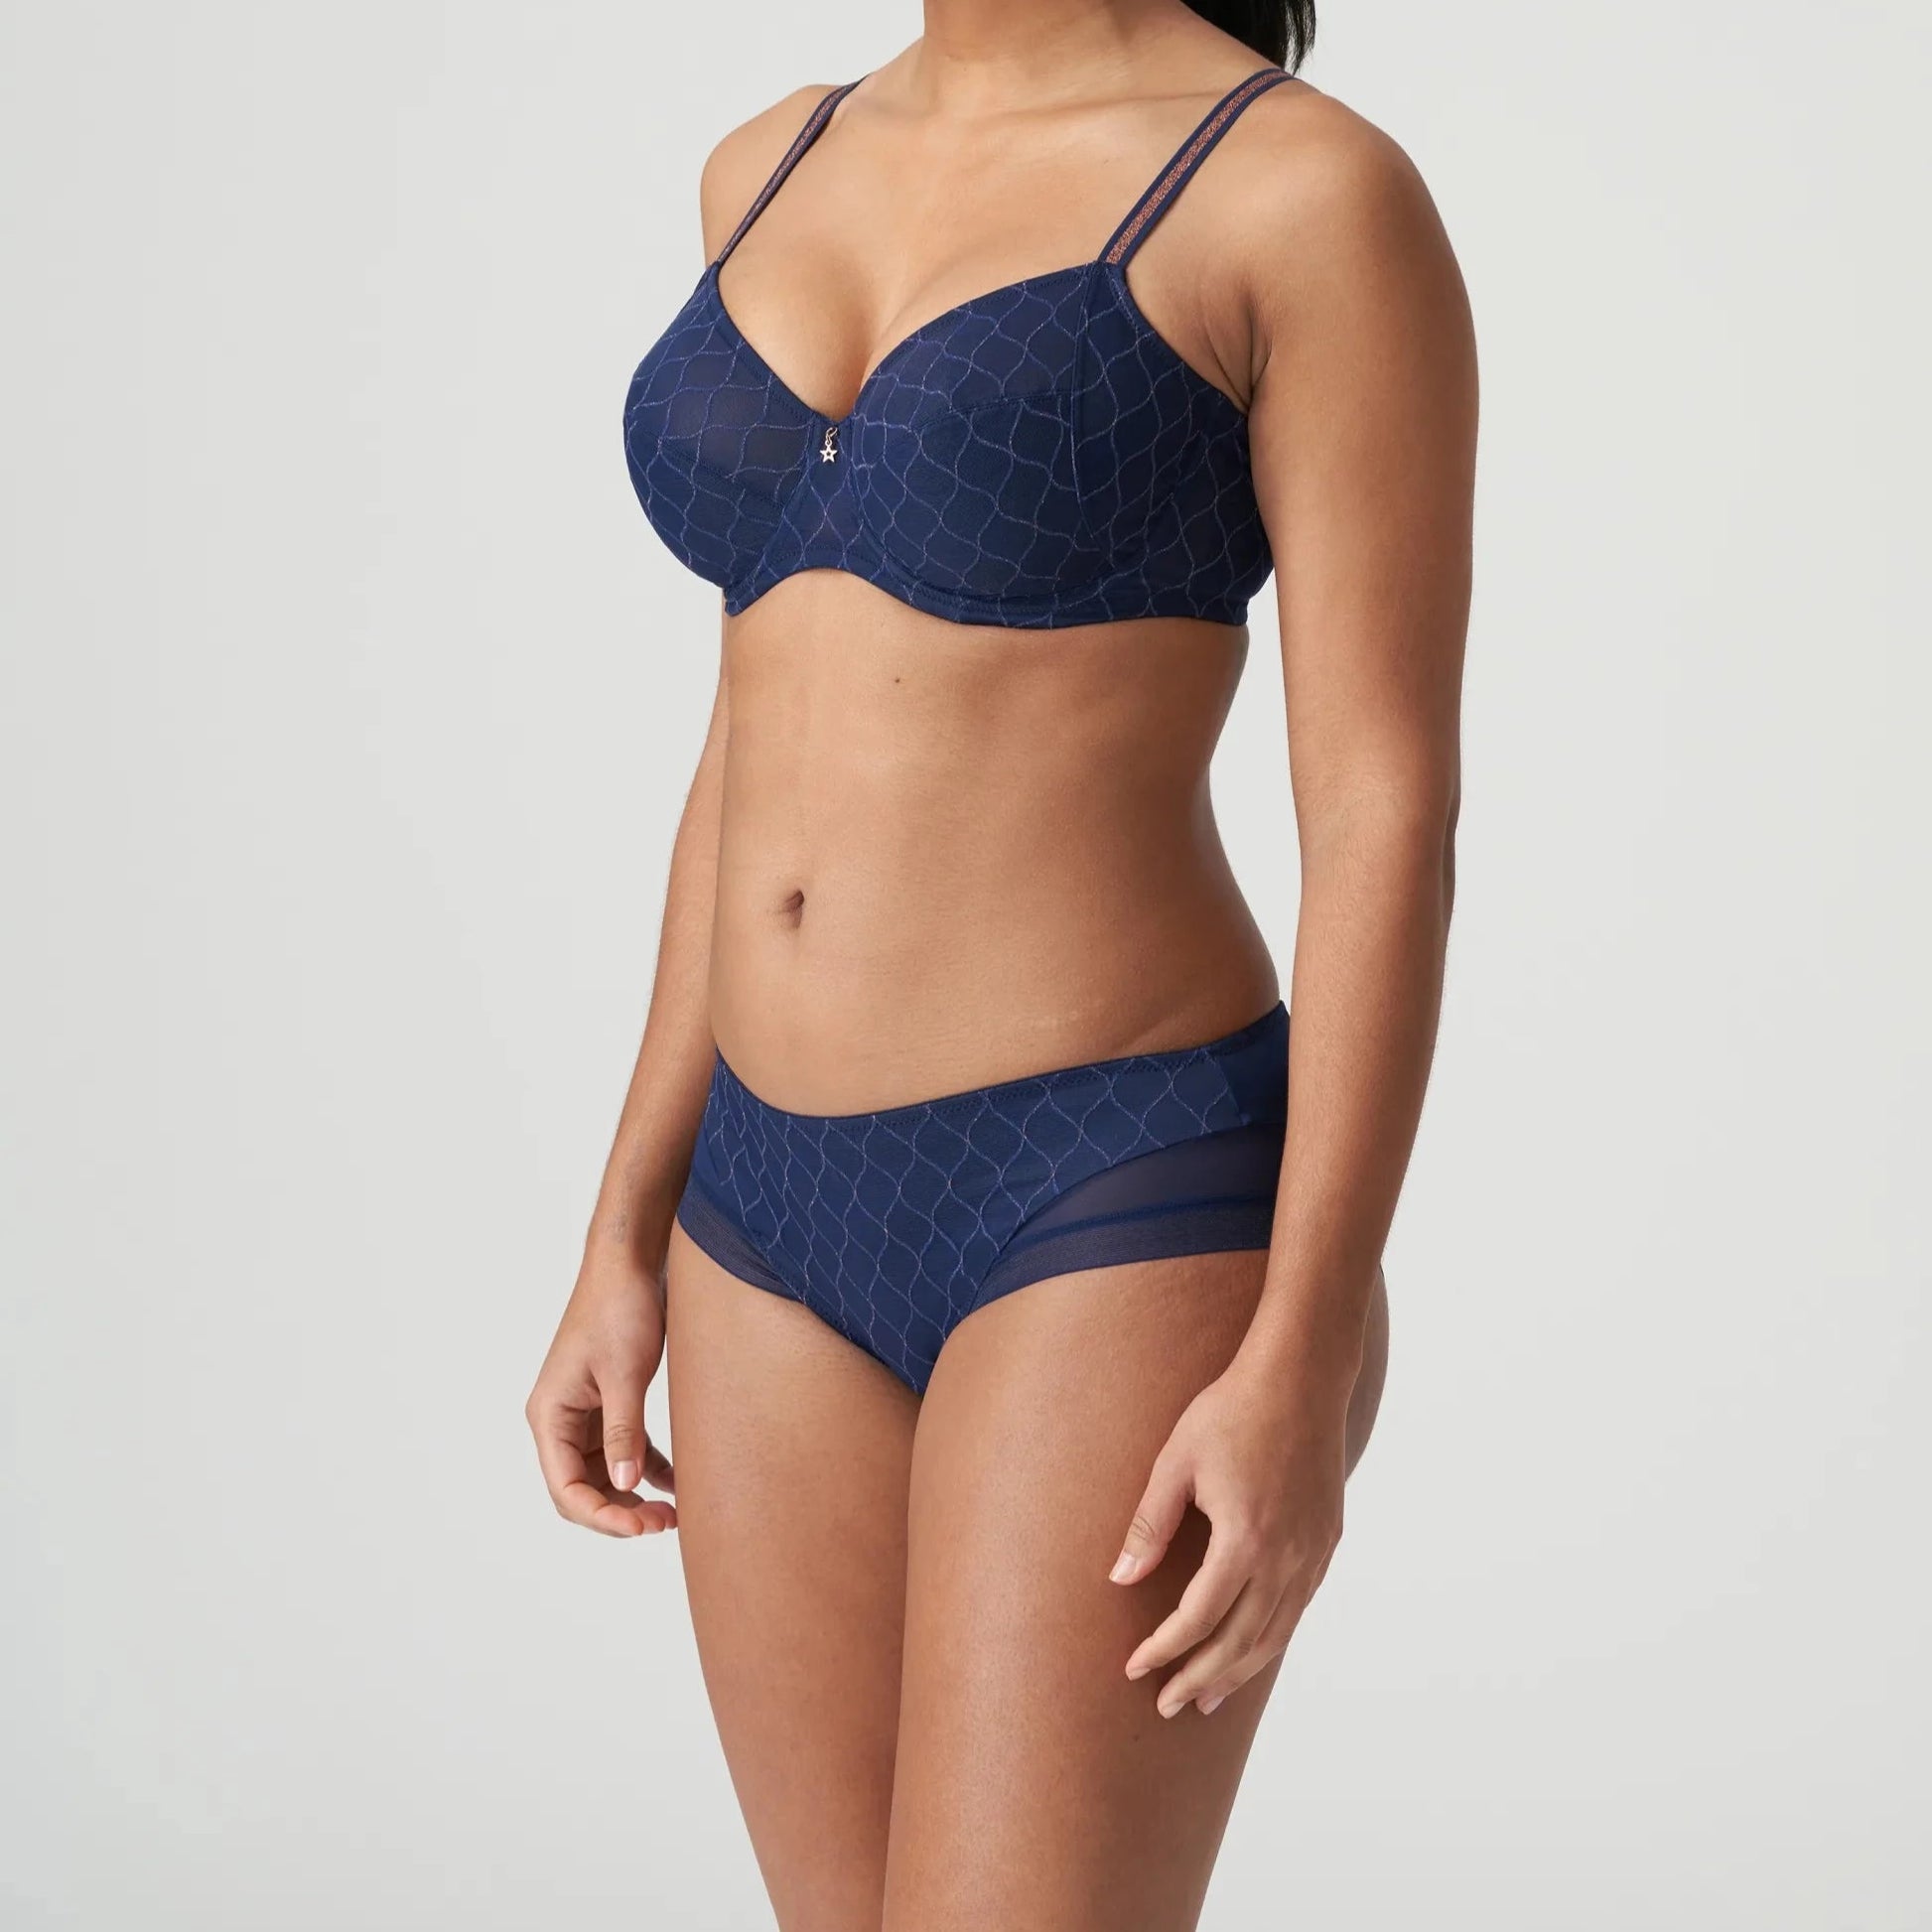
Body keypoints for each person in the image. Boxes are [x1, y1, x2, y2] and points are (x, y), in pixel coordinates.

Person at [527, 0, 1475, 1923]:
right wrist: (622, 1222)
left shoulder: (1298, 191)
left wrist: (1303, 1352)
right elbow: (755, 729)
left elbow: (1381, 807)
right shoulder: (768, 161)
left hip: (1108, 1193)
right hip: (758, 1219)